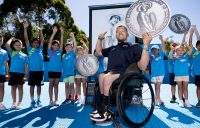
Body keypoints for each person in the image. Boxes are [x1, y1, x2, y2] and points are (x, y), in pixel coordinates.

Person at [90, 25, 152, 122]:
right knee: (101, 76)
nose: (120, 33)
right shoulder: (113, 48)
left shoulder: (134, 47)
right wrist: (99, 39)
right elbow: (98, 52)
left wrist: (146, 46)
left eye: (122, 31)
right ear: (115, 35)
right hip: (110, 73)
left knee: (106, 78)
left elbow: (142, 66)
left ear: (127, 34)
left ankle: (105, 111)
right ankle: (103, 106)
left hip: (125, 73)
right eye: (117, 32)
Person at [23, 20, 44, 108]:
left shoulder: (40, 49)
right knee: (32, 86)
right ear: (31, 44)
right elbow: (26, 38)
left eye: (37, 42)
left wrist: (41, 31)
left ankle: (38, 100)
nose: (36, 43)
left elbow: (42, 39)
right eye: (34, 42)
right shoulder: (29, 49)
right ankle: (32, 101)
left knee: (39, 86)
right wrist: (25, 28)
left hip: (40, 71)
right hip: (32, 72)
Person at [169, 34, 193, 108]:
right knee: (179, 88)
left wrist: (186, 44)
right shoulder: (174, 57)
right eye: (179, 50)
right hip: (178, 75)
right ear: (176, 51)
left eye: (182, 50)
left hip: (185, 75)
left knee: (185, 88)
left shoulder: (186, 56)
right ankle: (180, 101)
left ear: (184, 51)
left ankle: (186, 101)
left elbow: (191, 50)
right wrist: (172, 50)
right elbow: (169, 56)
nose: (181, 51)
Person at [5, 37, 28, 109]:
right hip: (13, 73)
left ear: (22, 46)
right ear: (14, 46)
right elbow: (7, 45)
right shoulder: (12, 53)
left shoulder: (25, 55)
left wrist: (26, 75)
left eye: (19, 45)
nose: (18, 46)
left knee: (20, 88)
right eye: (16, 45)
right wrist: (11, 38)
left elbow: (26, 66)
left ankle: (20, 102)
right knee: (13, 88)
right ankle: (14, 102)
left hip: (21, 74)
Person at [48, 26, 64, 106]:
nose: (56, 46)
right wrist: (53, 33)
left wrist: (61, 33)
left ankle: (56, 100)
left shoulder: (59, 52)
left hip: (58, 71)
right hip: (51, 71)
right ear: (52, 46)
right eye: (54, 45)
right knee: (51, 85)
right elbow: (50, 41)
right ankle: (51, 100)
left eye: (57, 45)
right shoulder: (49, 51)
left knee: (56, 85)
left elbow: (61, 42)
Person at [150, 35, 166, 106]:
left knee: (158, 87)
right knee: (155, 87)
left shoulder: (161, 55)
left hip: (160, 73)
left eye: (156, 49)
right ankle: (158, 99)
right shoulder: (151, 57)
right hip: (153, 74)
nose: (154, 50)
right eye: (153, 49)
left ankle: (156, 100)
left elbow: (163, 47)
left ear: (158, 50)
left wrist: (162, 40)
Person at [62, 32, 77, 105]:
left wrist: (73, 37)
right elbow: (63, 65)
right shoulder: (63, 56)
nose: (68, 48)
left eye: (70, 47)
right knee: (66, 86)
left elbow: (75, 45)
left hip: (71, 73)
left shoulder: (72, 53)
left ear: (72, 48)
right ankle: (67, 98)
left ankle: (72, 99)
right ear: (65, 48)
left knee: (71, 86)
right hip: (65, 73)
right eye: (67, 47)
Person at [189, 26, 200, 108]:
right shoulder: (195, 53)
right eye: (198, 45)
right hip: (198, 74)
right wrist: (191, 33)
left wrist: (196, 30)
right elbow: (190, 44)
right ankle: (199, 101)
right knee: (199, 88)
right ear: (196, 47)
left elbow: (199, 38)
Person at [75, 39, 88, 106]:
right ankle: (79, 97)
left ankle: (84, 98)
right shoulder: (76, 56)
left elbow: (87, 48)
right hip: (78, 73)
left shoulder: (85, 55)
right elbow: (75, 48)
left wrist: (83, 43)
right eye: (79, 49)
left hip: (84, 73)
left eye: (81, 49)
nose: (80, 50)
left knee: (84, 85)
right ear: (77, 51)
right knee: (78, 85)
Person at [0, 35, 9, 110]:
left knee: (2, 87)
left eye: (1, 40)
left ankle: (1, 103)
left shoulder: (4, 52)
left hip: (1, 73)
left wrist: (7, 72)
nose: (0, 41)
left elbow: (6, 63)